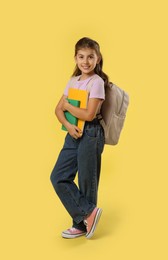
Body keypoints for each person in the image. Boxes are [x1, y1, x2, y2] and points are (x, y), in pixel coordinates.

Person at [50, 37, 109, 239]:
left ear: (98, 59)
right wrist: (68, 125)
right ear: (75, 58)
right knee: (58, 176)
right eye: (81, 57)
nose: (86, 61)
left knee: (86, 180)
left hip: (90, 133)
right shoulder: (72, 81)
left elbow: (90, 114)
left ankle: (82, 224)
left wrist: (68, 107)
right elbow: (57, 110)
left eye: (90, 57)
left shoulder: (97, 82)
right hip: (72, 133)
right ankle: (87, 214)